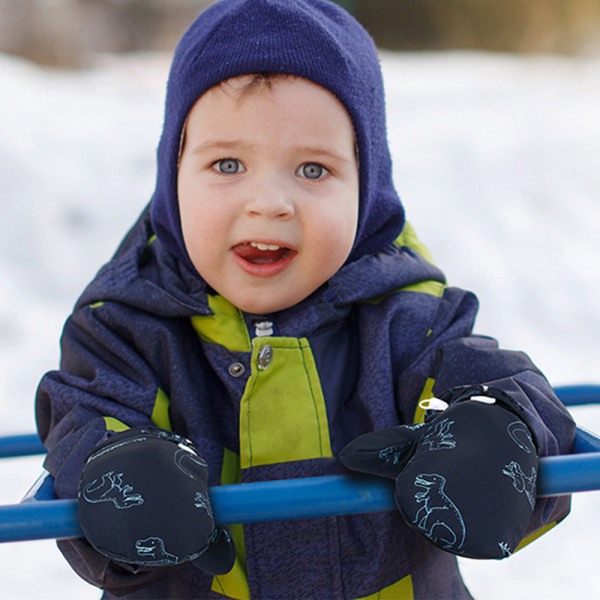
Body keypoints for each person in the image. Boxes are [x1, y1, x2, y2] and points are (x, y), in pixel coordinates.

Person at [35, 0, 575, 598]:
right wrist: (115, 470)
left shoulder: (409, 319)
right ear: (173, 176)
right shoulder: (125, 331)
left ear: (367, 191)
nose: (269, 202)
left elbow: (504, 386)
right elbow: (83, 420)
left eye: (313, 170)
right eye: (228, 163)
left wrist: (497, 429)